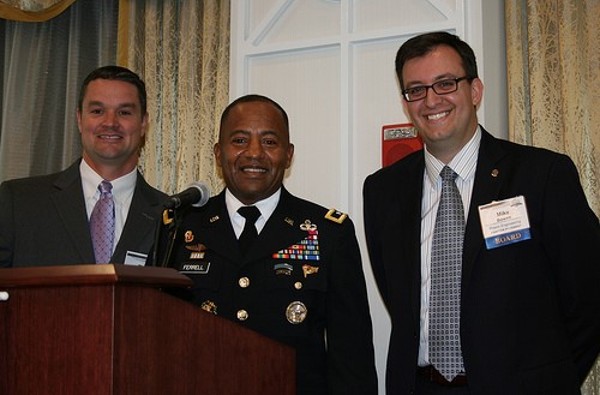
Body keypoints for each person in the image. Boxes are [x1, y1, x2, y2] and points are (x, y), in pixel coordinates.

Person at [363, 31, 600, 394]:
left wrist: (550, 379)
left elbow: (589, 296)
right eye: (416, 89)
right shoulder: (382, 191)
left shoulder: (542, 175)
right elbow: (400, 302)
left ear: (475, 91)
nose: (431, 100)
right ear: (406, 102)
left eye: (445, 83)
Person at [155, 94, 378, 395]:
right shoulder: (181, 228)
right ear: (218, 153)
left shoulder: (328, 233)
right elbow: (159, 343)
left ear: (289, 155)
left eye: (270, 142)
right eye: (239, 140)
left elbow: (352, 360)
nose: (254, 153)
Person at [0, 65, 167, 267]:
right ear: (79, 119)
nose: (110, 122)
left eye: (124, 112)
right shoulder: (19, 202)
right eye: (97, 111)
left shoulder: (169, 217)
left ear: (143, 124)